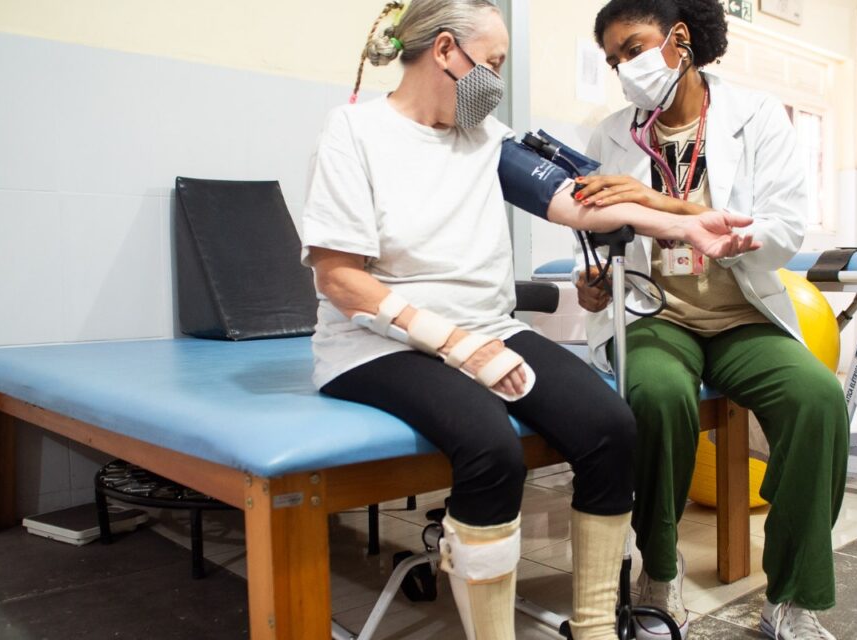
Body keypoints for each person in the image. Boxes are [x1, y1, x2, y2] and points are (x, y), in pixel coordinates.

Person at [302, 1, 758, 637]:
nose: (495, 79)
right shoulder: (354, 133)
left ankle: (596, 624)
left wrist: (685, 223)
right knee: (491, 449)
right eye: (491, 64)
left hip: (487, 329)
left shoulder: (486, 138)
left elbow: (580, 203)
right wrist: (455, 344)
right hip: (379, 342)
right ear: (442, 52)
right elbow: (339, 279)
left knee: (610, 428)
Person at [575, 1, 850, 639]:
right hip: (656, 315)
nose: (625, 69)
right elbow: (591, 242)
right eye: (615, 60)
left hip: (740, 315)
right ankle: (660, 579)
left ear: (678, 38)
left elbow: (781, 229)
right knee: (657, 395)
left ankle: (790, 597)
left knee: (818, 399)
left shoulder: (756, 118)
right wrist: (590, 284)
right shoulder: (610, 135)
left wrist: (656, 201)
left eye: (633, 48)